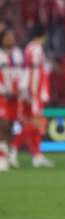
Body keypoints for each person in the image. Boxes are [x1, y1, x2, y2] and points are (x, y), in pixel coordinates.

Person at [15, 25, 53, 168]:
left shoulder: (29, 48)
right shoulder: (36, 50)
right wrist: (36, 92)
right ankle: (13, 148)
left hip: (31, 91)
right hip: (35, 92)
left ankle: (37, 155)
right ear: (42, 36)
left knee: (36, 125)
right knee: (35, 123)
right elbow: (35, 74)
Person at [0, 27, 24, 172]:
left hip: (16, 96)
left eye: (12, 36)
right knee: (2, 125)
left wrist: (21, 88)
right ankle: (1, 157)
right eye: (8, 36)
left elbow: (22, 73)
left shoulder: (18, 55)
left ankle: (8, 154)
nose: (11, 39)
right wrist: (3, 90)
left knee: (12, 126)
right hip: (2, 95)